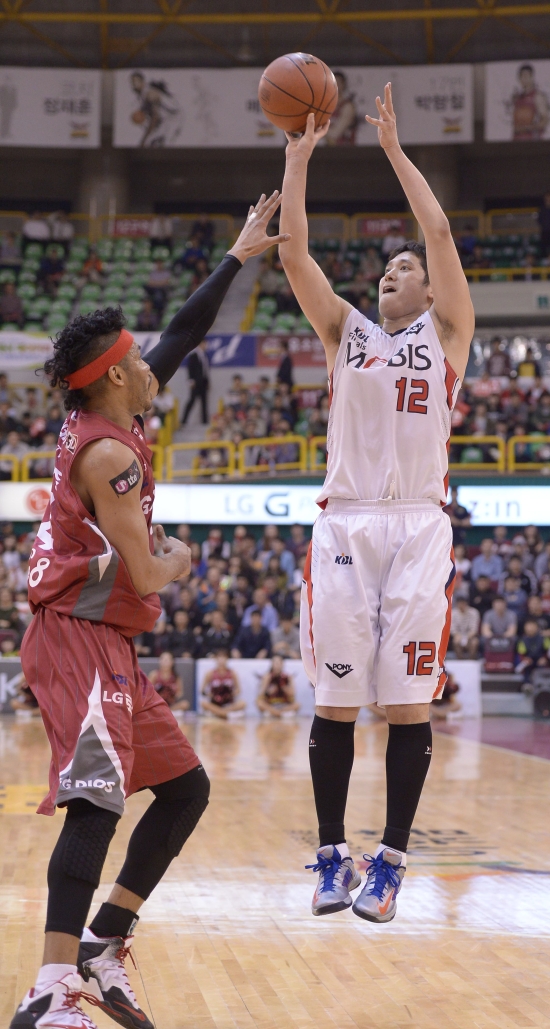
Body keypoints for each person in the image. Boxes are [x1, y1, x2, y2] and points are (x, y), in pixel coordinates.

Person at [10, 190, 289, 1029]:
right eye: (134, 356)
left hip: (107, 638)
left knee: (185, 789)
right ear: (114, 376)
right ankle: (49, 988)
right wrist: (183, 556)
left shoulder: (108, 405)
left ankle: (104, 940)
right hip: (76, 637)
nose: (148, 361)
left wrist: (237, 255)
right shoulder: (107, 454)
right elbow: (146, 569)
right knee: (96, 800)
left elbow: (183, 331)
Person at [279, 86, 474, 922]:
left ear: (429, 292)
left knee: (405, 706)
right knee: (336, 702)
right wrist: (298, 157)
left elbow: (440, 232)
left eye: (406, 268)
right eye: (387, 267)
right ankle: (332, 857)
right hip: (347, 522)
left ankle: (390, 862)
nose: (393, 270)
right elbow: (295, 254)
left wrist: (394, 150)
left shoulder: (449, 332)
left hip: (420, 524)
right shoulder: (347, 332)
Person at [201, 651, 245, 719]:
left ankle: (218, 713)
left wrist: (231, 694)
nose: (221, 660)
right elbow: (202, 690)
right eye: (219, 658)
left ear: (227, 659)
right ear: (216, 659)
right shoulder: (210, 673)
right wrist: (209, 694)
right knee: (203, 703)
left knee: (242, 703)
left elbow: (238, 690)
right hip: (215, 702)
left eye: (224, 658)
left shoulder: (232, 673)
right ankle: (225, 714)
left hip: (228, 703)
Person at [181, 338, 210, 426]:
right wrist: (191, 381)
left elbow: (205, 370)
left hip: (203, 382)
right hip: (196, 382)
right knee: (192, 400)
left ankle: (205, 421)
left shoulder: (205, 356)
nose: (206, 346)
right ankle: (183, 420)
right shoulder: (193, 355)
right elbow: (190, 369)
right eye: (205, 344)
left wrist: (207, 381)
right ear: (201, 344)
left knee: (204, 402)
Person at [539, 190, 550, 260]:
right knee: (544, 247)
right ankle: (544, 260)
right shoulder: (542, 208)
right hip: (545, 231)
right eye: (547, 197)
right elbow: (539, 219)